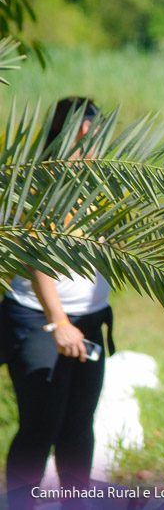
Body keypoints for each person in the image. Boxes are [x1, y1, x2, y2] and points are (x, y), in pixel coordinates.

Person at [0, 97, 115, 510]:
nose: (96, 142)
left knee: (78, 424)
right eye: (90, 133)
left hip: (89, 318)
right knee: (41, 424)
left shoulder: (102, 181)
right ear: (78, 132)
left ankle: (76, 503)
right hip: (39, 319)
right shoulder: (43, 182)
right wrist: (59, 321)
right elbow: (38, 262)